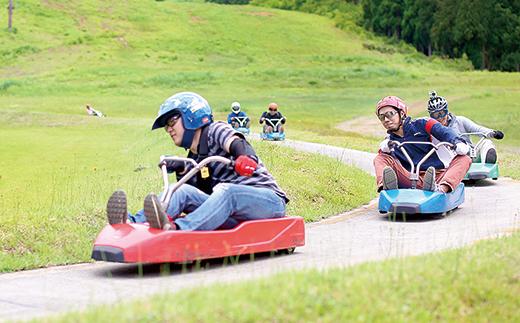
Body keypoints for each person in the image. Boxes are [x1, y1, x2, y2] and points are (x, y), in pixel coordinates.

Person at [106, 92, 288, 231]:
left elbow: (237, 143)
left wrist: (245, 157)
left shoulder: (215, 130)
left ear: (190, 116)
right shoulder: (194, 158)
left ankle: (177, 229)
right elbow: (205, 196)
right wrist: (182, 170)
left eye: (171, 122)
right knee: (182, 190)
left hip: (268, 201)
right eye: (166, 126)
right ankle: (132, 223)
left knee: (227, 191)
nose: (169, 129)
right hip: (233, 211)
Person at [373, 96, 472, 193]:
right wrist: (384, 149)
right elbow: (382, 159)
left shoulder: (423, 124)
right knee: (380, 158)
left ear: (402, 113)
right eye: (382, 117)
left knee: (465, 158)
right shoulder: (389, 142)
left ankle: (441, 190)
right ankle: (386, 188)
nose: (386, 119)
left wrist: (457, 142)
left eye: (390, 114)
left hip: (438, 176)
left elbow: (444, 132)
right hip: (411, 179)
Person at [427, 91, 504, 163]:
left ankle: (487, 166)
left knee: (487, 143)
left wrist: (493, 133)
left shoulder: (460, 121)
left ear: (446, 111)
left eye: (442, 113)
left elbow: (478, 129)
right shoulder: (430, 128)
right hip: (448, 161)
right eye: (436, 115)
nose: (440, 118)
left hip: (469, 156)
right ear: (431, 116)